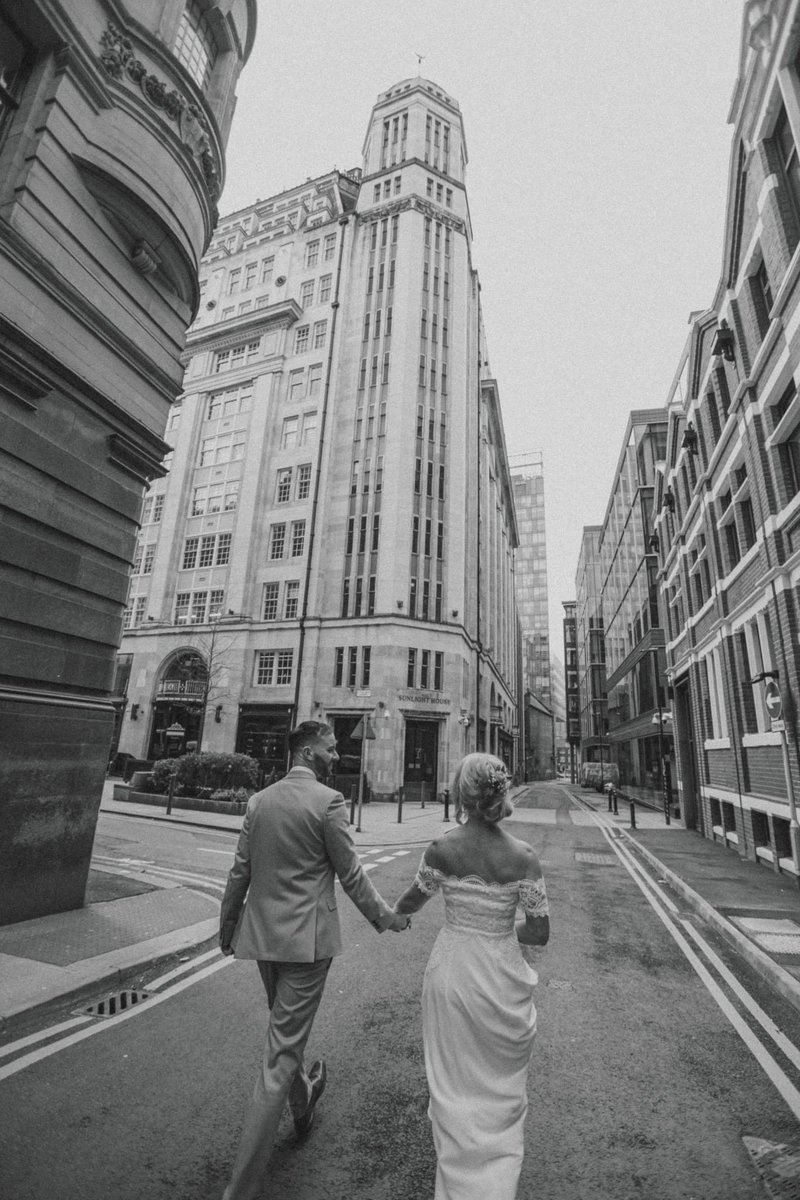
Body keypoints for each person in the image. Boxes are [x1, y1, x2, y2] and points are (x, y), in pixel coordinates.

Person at [218, 720, 410, 1200]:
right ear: (306, 752)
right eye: (329, 749)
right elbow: (351, 874)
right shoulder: (329, 802)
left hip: (263, 940)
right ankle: (238, 1191)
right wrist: (387, 918)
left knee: (286, 1032)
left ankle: (302, 1106)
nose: (336, 755)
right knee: (279, 1056)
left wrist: (227, 930)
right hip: (307, 946)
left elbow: (239, 871)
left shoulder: (260, 801)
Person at [394, 752, 550, 1200]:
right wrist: (499, 930)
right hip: (502, 978)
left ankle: (457, 1182)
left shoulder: (442, 849)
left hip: (453, 976)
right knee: (498, 1091)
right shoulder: (524, 857)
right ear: (500, 793)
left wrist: (388, 917)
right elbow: (539, 934)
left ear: (460, 796)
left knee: (452, 1087)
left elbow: (409, 903)